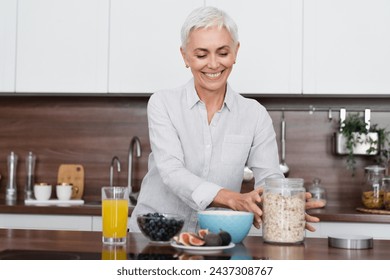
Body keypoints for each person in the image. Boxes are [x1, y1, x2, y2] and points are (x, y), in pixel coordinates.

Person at [129, 6, 323, 233]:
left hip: (217, 240)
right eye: (201, 55)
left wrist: (284, 203)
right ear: (185, 56)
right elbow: (172, 172)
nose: (213, 64)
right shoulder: (163, 103)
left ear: (235, 52)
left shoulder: (254, 114)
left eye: (222, 53)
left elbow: (269, 178)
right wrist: (233, 199)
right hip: (154, 237)